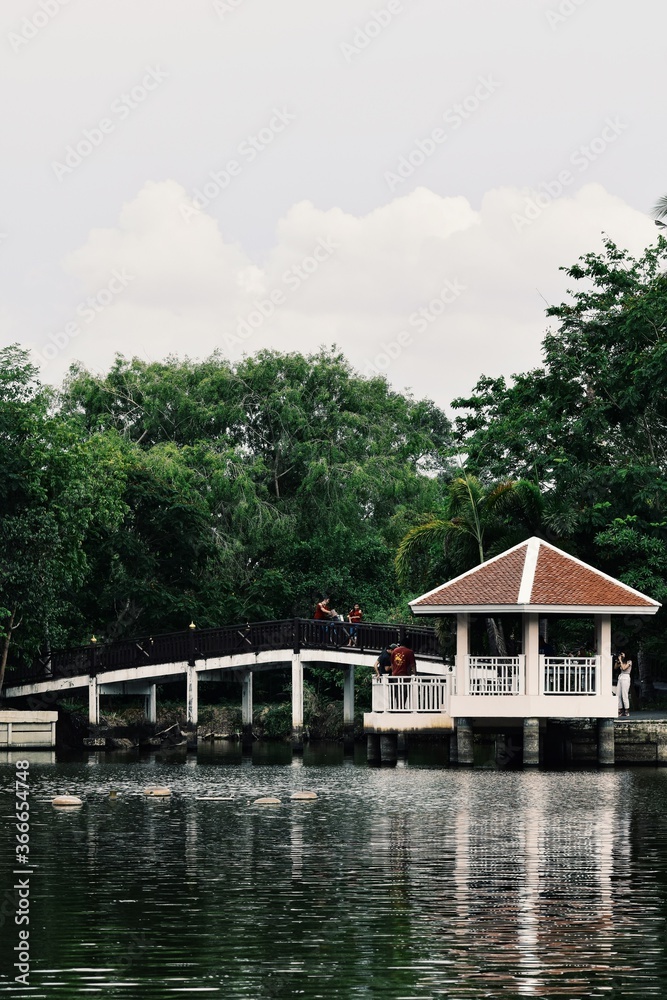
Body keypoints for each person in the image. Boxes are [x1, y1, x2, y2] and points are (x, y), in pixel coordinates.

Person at [390, 642, 417, 709]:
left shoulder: (394, 651)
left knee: (397, 691)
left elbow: (392, 664)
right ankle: (402, 706)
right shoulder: (409, 652)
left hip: (395, 675)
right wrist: (415, 674)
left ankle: (397, 706)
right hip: (405, 675)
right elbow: (413, 665)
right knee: (404, 691)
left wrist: (393, 672)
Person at [617, 651, 632, 717]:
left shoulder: (629, 661)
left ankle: (627, 710)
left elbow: (624, 668)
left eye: (622, 654)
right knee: (618, 694)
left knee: (624, 694)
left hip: (626, 677)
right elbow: (615, 667)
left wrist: (620, 660)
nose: (622, 655)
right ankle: (620, 709)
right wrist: (618, 661)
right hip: (621, 677)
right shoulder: (621, 661)